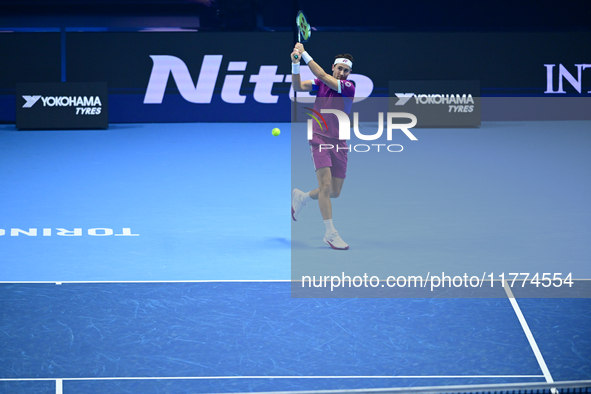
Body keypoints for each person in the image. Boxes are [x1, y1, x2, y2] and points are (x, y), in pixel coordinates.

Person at [290, 42, 355, 250]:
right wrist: (295, 64)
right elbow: (298, 87)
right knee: (326, 186)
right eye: (340, 68)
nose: (342, 73)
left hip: (340, 142)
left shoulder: (348, 87)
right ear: (333, 67)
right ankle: (330, 233)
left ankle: (302, 197)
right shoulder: (320, 84)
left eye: (346, 70)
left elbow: (324, 76)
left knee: (335, 192)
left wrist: (304, 52)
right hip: (319, 137)